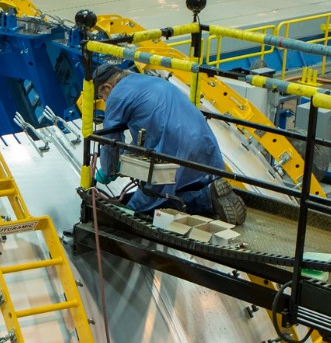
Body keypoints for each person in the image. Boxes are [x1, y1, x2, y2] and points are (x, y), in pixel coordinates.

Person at [91, 63, 247, 224]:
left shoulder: (117, 95)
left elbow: (110, 139)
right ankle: (210, 192)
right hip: (201, 137)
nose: (103, 100)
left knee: (146, 202)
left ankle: (207, 200)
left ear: (107, 87)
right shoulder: (146, 79)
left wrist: (109, 169)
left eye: (101, 96)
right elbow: (147, 124)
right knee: (188, 183)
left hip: (172, 143)